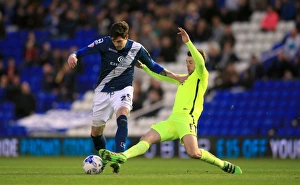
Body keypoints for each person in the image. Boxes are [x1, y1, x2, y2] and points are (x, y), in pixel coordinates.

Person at [99, 27, 242, 174]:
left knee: (194, 153)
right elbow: (163, 76)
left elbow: (199, 62)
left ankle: (223, 165)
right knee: (147, 138)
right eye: (187, 62)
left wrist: (188, 43)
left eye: (190, 62)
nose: (188, 64)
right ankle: (123, 156)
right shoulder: (183, 79)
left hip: (187, 120)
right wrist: (144, 68)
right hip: (173, 120)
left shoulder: (202, 75)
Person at [67, 21, 184, 173]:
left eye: (120, 42)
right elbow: (82, 52)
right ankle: (103, 156)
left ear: (127, 37)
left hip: (123, 89)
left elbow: (154, 66)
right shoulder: (104, 42)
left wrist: (175, 76)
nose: (117, 45)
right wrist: (74, 55)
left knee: (122, 116)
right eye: (114, 42)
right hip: (102, 91)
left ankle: (119, 157)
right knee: (96, 134)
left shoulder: (137, 48)